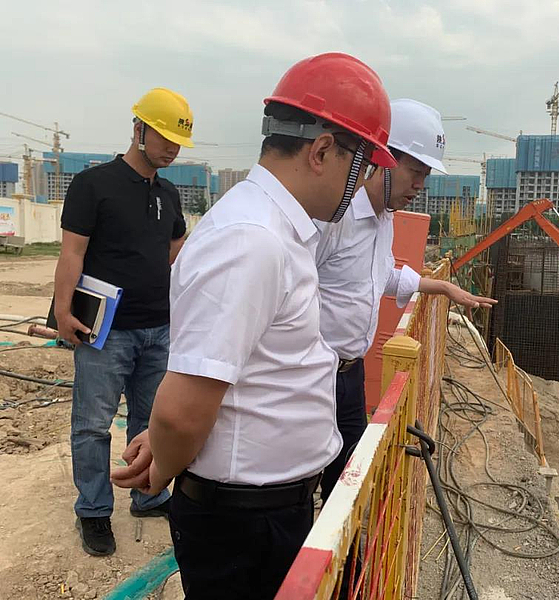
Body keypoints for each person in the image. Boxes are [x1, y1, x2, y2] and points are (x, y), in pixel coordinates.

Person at [114, 53, 396, 599]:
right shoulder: (251, 240)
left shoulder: (276, 231)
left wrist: (174, 440)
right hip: (243, 525)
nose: (360, 184)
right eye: (360, 166)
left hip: (265, 512)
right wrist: (168, 457)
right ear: (322, 152)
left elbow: (241, 372)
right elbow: (181, 410)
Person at [315, 98, 496, 502]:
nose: (420, 186)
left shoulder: (385, 218)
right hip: (313, 375)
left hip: (349, 376)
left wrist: (442, 288)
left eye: (425, 176)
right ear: (384, 159)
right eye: (415, 172)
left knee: (346, 483)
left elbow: (379, 277)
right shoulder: (336, 218)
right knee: (303, 478)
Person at [54, 88, 193, 556]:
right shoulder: (93, 185)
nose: (172, 149)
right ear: (139, 129)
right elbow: (72, 253)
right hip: (105, 332)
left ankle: (148, 495)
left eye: (178, 142)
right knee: (92, 424)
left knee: (151, 421)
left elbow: (175, 253)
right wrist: (63, 310)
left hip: (159, 328)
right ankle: (93, 509)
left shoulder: (168, 193)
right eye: (165, 138)